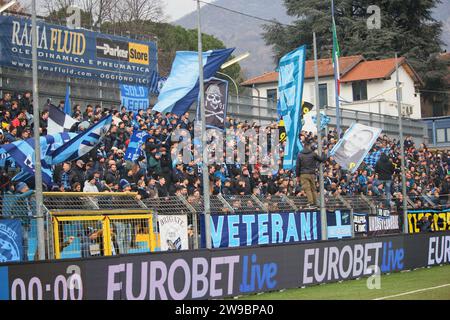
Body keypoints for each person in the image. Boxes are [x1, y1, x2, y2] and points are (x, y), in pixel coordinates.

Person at [295, 142, 327, 207]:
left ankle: (311, 202)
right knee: (313, 188)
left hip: (303, 174)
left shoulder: (300, 154)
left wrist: (297, 175)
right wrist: (324, 153)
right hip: (312, 174)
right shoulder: (313, 154)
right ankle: (316, 202)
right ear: (309, 146)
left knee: (307, 189)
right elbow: (322, 160)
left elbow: (297, 166)